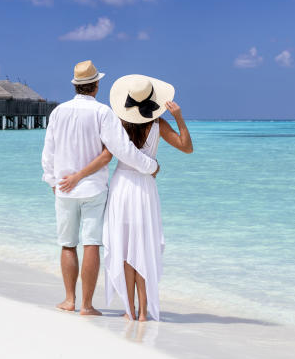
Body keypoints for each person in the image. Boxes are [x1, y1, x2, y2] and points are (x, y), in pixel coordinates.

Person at [41, 61, 159, 316]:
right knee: (91, 244)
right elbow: (121, 149)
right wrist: (150, 166)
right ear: (95, 86)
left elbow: (48, 152)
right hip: (94, 188)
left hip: (64, 188)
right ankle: (87, 305)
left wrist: (52, 181)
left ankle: (70, 300)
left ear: (76, 86)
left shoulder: (58, 112)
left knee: (67, 244)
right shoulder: (103, 113)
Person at [98, 74, 192, 322]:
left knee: (125, 248)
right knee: (143, 246)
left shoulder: (117, 123)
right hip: (145, 189)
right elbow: (186, 146)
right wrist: (179, 117)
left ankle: (130, 310)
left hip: (122, 186)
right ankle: (142, 312)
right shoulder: (159, 124)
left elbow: (103, 154)